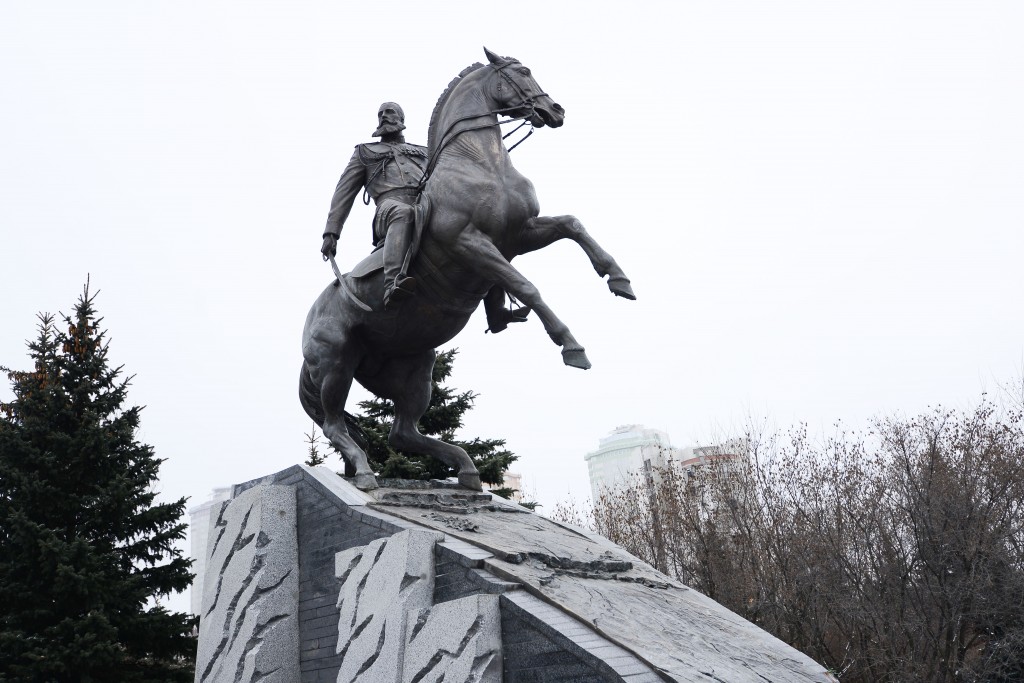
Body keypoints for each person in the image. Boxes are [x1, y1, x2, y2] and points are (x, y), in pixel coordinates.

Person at [321, 102, 426, 309]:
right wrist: (331, 233)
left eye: (389, 112)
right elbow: (344, 192)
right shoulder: (365, 152)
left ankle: (495, 307)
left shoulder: (424, 152)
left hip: (426, 205)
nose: (384, 116)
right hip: (388, 208)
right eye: (380, 114)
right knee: (402, 212)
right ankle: (392, 284)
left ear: (401, 119)